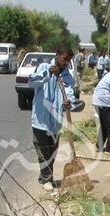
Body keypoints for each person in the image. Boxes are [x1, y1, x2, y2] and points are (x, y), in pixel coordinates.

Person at [28, 45, 74, 191]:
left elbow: (70, 95)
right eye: (64, 59)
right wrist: (47, 74)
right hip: (40, 119)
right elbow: (32, 82)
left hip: (55, 122)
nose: (66, 63)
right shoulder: (43, 67)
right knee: (43, 152)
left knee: (52, 152)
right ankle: (46, 179)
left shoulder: (67, 77)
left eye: (68, 61)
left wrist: (68, 103)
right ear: (57, 55)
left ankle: (48, 177)